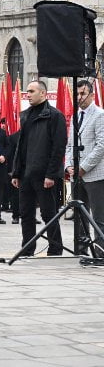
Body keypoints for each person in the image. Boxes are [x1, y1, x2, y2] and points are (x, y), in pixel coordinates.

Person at [11, 80, 66, 257]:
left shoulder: (54, 115)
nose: (28, 94)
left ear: (43, 93)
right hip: (26, 174)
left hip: (45, 175)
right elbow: (21, 146)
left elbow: (58, 148)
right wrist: (16, 172)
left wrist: (51, 174)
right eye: (27, 91)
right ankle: (27, 249)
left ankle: (55, 248)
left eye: (32, 91)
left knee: (48, 213)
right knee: (25, 213)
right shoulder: (25, 115)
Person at [65, 80, 104, 255]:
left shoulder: (100, 115)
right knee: (80, 216)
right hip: (76, 175)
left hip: (95, 175)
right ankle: (82, 250)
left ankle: (100, 251)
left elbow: (101, 146)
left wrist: (84, 167)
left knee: (98, 217)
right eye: (77, 94)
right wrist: (69, 166)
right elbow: (69, 145)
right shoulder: (75, 116)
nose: (79, 97)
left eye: (83, 94)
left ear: (92, 95)